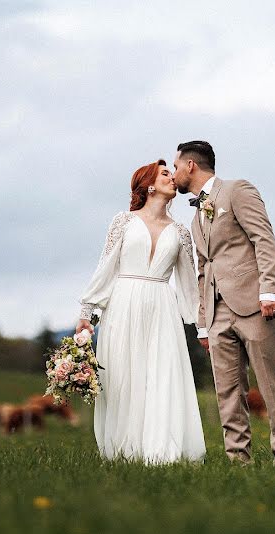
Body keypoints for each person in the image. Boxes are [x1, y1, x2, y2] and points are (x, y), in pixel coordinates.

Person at [173, 141, 275, 465]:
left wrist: (270, 290)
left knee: (272, 388)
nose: (173, 175)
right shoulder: (195, 218)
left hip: (255, 305)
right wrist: (202, 322)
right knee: (227, 394)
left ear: (190, 166)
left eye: (175, 166)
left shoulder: (237, 190)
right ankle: (239, 463)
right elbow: (203, 270)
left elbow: (263, 238)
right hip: (217, 315)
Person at [76, 159, 206, 464]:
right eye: (165, 173)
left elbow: (189, 285)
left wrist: (202, 325)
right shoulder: (123, 221)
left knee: (162, 377)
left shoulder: (181, 232)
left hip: (162, 307)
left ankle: (160, 453)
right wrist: (88, 312)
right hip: (123, 304)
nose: (173, 177)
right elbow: (105, 268)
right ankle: (123, 452)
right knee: (123, 378)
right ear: (148, 184)